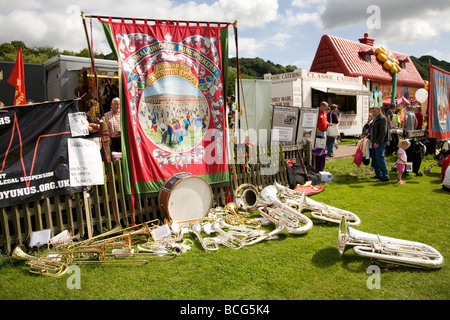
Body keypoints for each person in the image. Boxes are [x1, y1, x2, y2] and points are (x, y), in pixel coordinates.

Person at [369, 106, 390, 181]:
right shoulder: (376, 119)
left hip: (379, 142)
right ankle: (378, 174)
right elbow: (372, 130)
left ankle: (385, 175)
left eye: (374, 111)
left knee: (380, 158)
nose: (373, 113)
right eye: (372, 111)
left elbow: (383, 132)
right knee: (375, 159)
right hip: (374, 140)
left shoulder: (382, 118)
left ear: (379, 111)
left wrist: (378, 142)